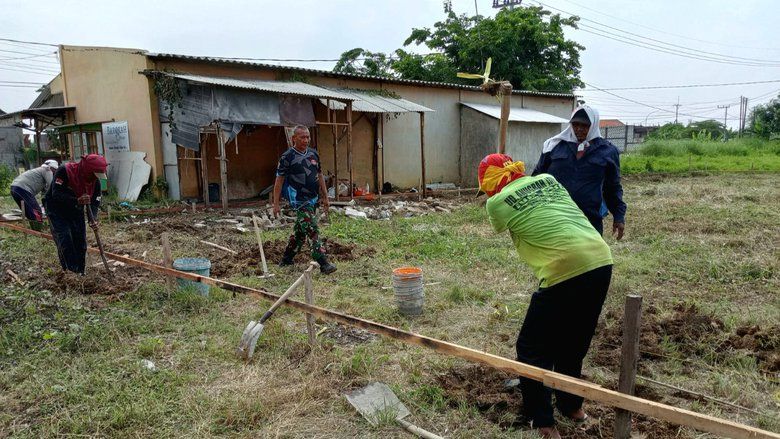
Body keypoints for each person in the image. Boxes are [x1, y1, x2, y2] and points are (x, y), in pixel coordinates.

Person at [480, 153, 613, 439]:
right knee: (573, 341)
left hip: (563, 267)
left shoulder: (496, 203)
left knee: (531, 348)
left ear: (490, 184)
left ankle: (543, 422)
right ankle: (572, 407)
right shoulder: (548, 179)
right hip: (600, 258)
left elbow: (502, 224)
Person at [533, 105, 626, 239]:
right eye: (575, 125)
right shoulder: (554, 147)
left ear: (593, 125)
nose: (579, 129)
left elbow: (612, 187)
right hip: (555, 217)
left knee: (590, 257)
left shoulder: (607, 152)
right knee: (558, 257)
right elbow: (537, 177)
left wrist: (619, 216)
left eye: (585, 125)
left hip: (588, 219)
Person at [272, 125, 336, 275]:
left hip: (313, 199)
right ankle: (323, 262)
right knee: (312, 229)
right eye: (302, 137)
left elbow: (319, 175)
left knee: (300, 232)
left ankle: (287, 259)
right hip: (299, 201)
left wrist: (325, 197)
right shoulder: (287, 157)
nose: (306, 140)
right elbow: (279, 181)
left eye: (308, 137)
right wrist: (275, 204)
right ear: (294, 138)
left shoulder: (313, 154)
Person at [43, 154, 107, 275]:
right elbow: (56, 193)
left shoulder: (95, 182)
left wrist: (93, 218)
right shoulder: (64, 171)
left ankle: (80, 273)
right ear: (87, 170)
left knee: (80, 241)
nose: (95, 178)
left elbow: (94, 202)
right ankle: (71, 274)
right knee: (65, 239)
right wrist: (77, 200)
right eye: (94, 174)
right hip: (56, 209)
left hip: (76, 209)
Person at [9, 159, 59, 230]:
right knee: (36, 210)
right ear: (52, 167)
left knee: (29, 212)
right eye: (55, 170)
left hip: (14, 188)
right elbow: (52, 186)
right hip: (22, 189)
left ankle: (34, 230)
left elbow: (45, 193)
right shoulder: (47, 170)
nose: (55, 172)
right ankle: (38, 231)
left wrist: (46, 204)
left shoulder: (39, 171)